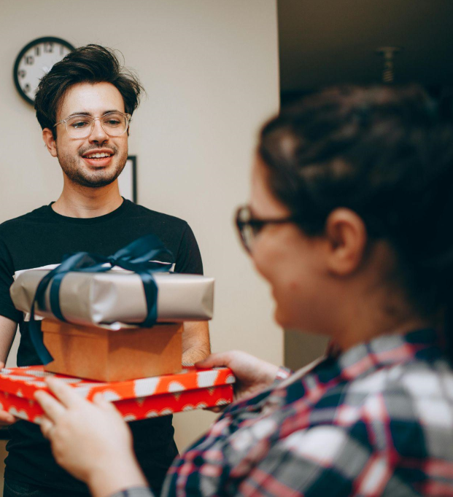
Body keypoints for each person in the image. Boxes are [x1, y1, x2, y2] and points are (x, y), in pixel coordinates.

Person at [34, 85, 453, 496]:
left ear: (341, 242)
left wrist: (109, 470)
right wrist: (279, 388)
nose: (255, 254)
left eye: (258, 225)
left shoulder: (353, 439)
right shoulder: (374, 384)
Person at [0, 45, 212, 497]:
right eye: (80, 123)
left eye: (113, 120)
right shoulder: (11, 241)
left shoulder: (172, 235)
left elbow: (195, 351)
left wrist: (118, 364)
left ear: (126, 130)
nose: (100, 135)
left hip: (146, 473)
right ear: (51, 141)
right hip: (37, 478)